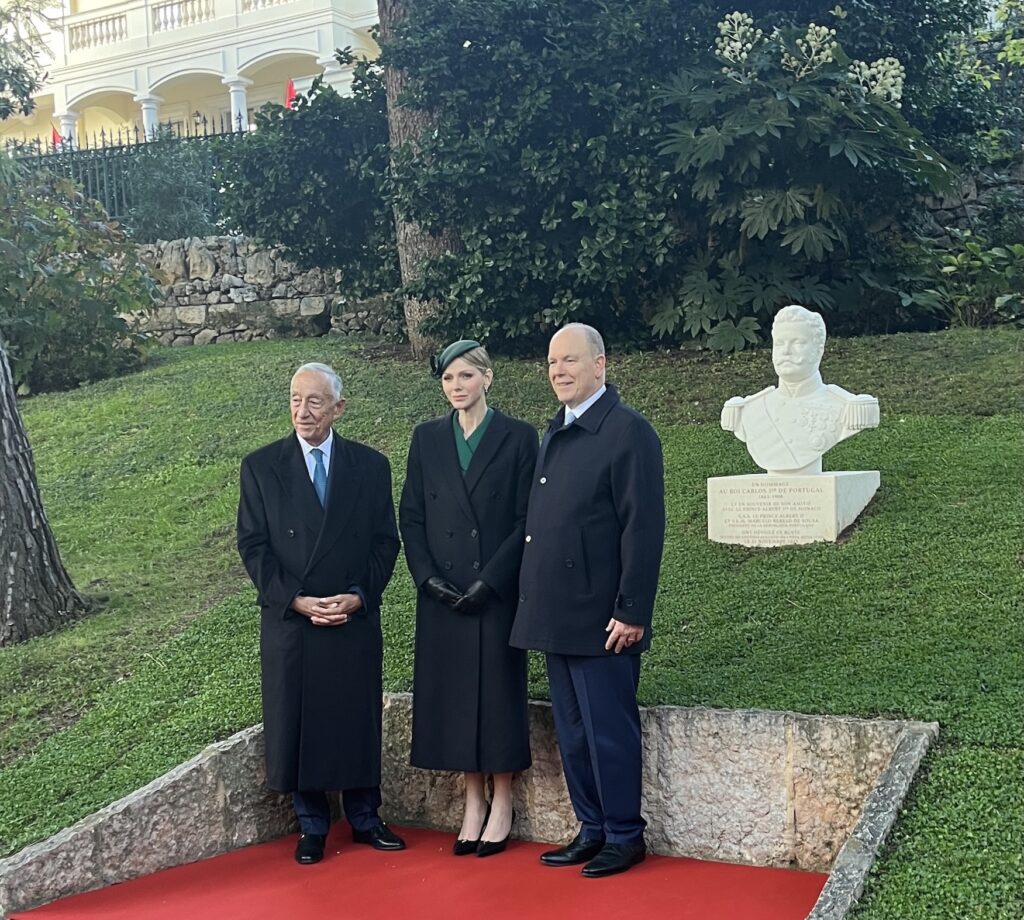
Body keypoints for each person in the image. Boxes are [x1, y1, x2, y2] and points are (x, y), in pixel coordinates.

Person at [510, 323, 665, 879]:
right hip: (556, 612)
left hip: (604, 617)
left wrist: (632, 609)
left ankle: (625, 834)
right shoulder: (556, 430)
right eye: (552, 362)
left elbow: (641, 529)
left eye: (570, 360)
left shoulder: (628, 432)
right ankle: (592, 828)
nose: (559, 370)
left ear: (601, 364)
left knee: (608, 731)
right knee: (573, 733)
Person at [237, 362, 404, 865]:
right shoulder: (262, 467)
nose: (302, 411)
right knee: (298, 718)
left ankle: (365, 817)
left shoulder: (370, 466)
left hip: (351, 615)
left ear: (338, 407)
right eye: (294, 399)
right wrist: (293, 598)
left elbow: (384, 542)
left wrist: (358, 595)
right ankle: (310, 825)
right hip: (294, 619)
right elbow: (253, 545)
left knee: (355, 717)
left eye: (314, 401)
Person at [399, 340, 538, 857]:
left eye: (465, 376)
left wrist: (492, 580)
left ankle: (503, 799)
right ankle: (472, 800)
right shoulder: (427, 438)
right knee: (457, 697)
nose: (456, 387)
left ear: (487, 377)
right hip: (442, 594)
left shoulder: (520, 437)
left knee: (497, 694)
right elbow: (411, 514)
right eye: (447, 379)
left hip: (495, 591)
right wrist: (426, 578)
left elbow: (528, 520)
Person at [721, 305, 879, 474]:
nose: (786, 352)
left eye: (798, 342)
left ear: (819, 350)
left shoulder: (846, 406)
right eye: (780, 343)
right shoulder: (749, 409)